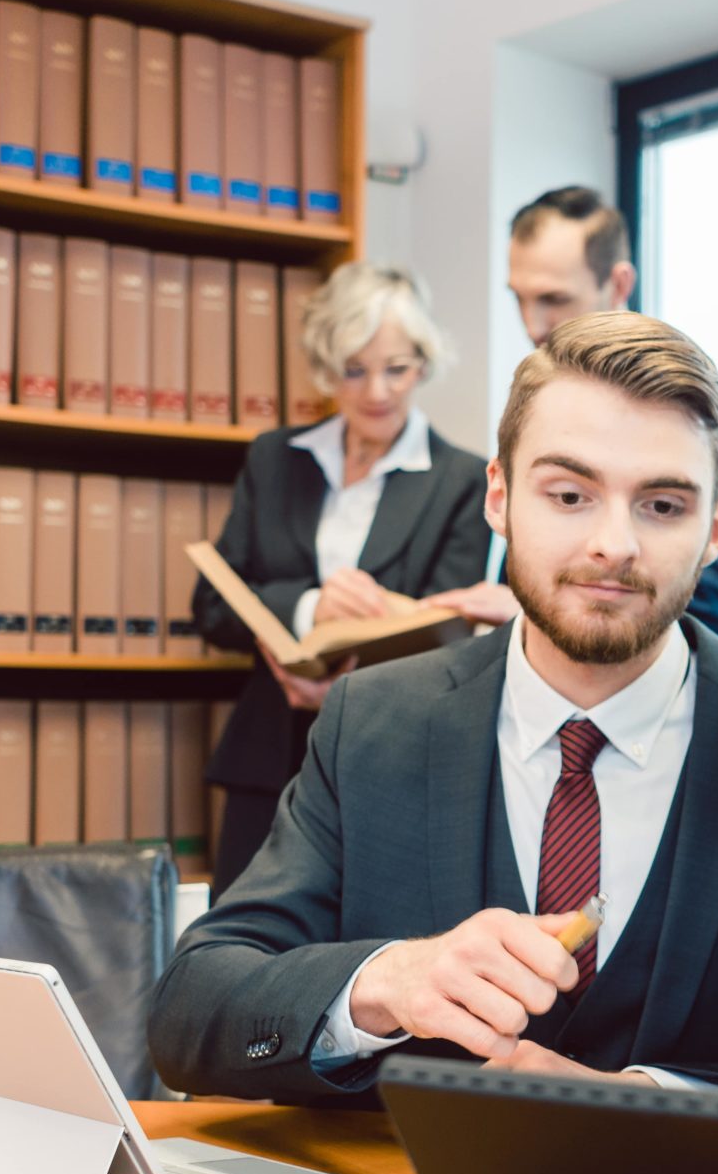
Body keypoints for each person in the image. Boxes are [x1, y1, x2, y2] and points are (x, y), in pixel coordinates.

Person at [150, 311, 718, 1098]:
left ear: (715, 529)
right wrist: (387, 979)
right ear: (499, 499)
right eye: (570, 494)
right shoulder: (371, 722)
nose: (614, 543)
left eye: (663, 506)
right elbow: (191, 1012)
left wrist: (660, 1104)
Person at [191, 262, 493, 890]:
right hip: (269, 750)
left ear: (424, 364)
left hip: (392, 755)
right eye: (354, 370)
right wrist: (309, 610)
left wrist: (361, 647)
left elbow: (451, 634)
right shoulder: (275, 458)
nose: (377, 391)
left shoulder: (462, 479)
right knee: (238, 950)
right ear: (326, 369)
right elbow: (213, 607)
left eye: (397, 369)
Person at [429, 186, 718, 639]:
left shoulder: (692, 405)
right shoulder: (540, 393)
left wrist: (563, 601)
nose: (532, 325)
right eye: (519, 298)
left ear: (619, 284)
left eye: (554, 300)